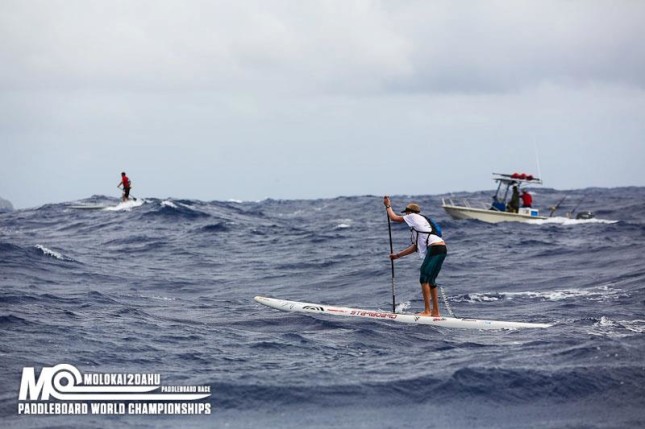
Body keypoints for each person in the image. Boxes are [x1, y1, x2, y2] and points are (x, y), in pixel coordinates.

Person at [384, 196, 447, 317]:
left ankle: (427, 311)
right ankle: (436, 312)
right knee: (431, 280)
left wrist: (387, 205)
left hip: (435, 248)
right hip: (441, 248)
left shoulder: (413, 216)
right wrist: (397, 255)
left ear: (409, 212)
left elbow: (394, 218)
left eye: (406, 213)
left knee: (424, 276)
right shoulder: (421, 225)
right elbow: (415, 247)